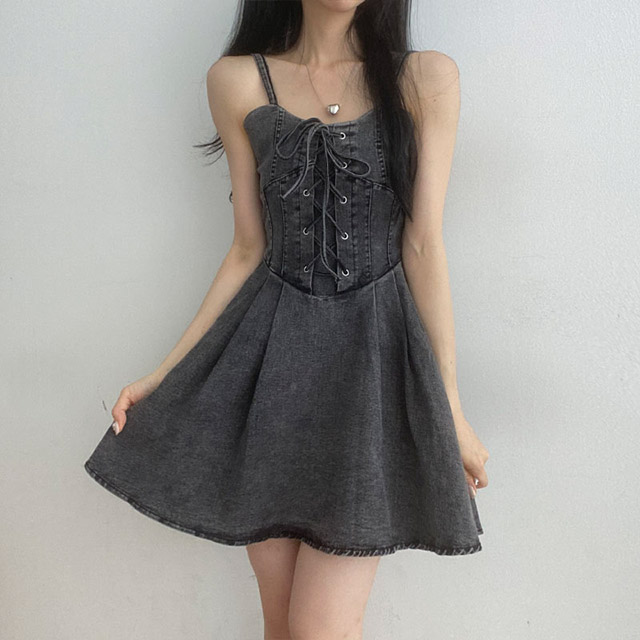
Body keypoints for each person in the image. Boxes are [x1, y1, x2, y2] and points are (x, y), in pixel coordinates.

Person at [84, 1, 490, 637]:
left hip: (369, 373)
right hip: (269, 372)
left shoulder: (426, 77)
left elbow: (422, 245)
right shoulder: (236, 80)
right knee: (281, 626)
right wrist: (165, 373)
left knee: (319, 630)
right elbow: (248, 248)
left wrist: (451, 411)